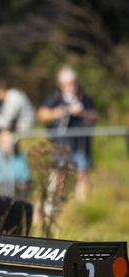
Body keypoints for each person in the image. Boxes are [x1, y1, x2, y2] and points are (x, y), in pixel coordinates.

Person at [37, 66, 98, 200]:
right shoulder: (55, 98)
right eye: (67, 84)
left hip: (81, 143)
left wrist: (82, 112)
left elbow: (95, 116)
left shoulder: (84, 98)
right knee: (60, 174)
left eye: (73, 82)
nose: (71, 86)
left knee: (82, 173)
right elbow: (41, 114)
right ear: (61, 85)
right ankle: (58, 204)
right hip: (62, 143)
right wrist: (61, 112)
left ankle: (85, 204)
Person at [0, 128, 31, 198]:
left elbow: (25, 175)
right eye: (4, 142)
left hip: (17, 188)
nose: (7, 145)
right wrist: (6, 180)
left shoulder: (21, 154)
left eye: (9, 142)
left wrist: (15, 181)